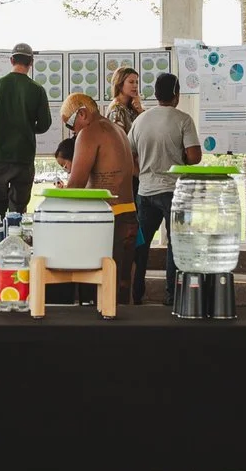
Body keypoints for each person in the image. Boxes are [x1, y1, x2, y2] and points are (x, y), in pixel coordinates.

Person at [126, 71, 202, 305]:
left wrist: (143, 171)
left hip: (145, 191)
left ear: (156, 94)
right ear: (176, 95)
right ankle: (172, 295)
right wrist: (179, 157)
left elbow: (129, 154)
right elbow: (195, 156)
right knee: (175, 245)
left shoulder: (141, 120)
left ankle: (135, 293)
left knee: (141, 245)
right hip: (174, 191)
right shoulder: (183, 119)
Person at [60, 90, 139, 293]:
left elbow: (76, 183)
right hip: (129, 213)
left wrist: (58, 207)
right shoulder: (118, 130)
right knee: (121, 287)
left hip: (110, 218)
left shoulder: (89, 132)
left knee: (102, 290)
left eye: (70, 125)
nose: (72, 132)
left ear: (82, 114)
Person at [0, 44, 51, 217]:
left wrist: (1, 124)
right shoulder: (37, 90)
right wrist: (26, 126)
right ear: (31, 62)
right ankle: (16, 242)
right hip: (23, 157)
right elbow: (45, 124)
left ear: (11, 60)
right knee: (17, 211)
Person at [106, 66, 143, 134]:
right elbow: (119, 139)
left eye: (137, 82)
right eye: (131, 82)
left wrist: (140, 110)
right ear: (119, 84)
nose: (135, 85)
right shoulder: (116, 110)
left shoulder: (132, 106)